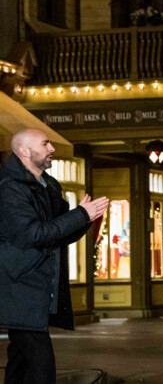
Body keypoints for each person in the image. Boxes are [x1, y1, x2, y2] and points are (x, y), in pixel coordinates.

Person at [0, 129, 109, 384]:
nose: (52, 149)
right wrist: (81, 214)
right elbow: (33, 234)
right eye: (45, 144)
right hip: (19, 289)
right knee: (41, 367)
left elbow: (57, 234)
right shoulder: (10, 189)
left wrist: (87, 219)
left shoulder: (47, 186)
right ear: (24, 152)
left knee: (20, 361)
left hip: (37, 290)